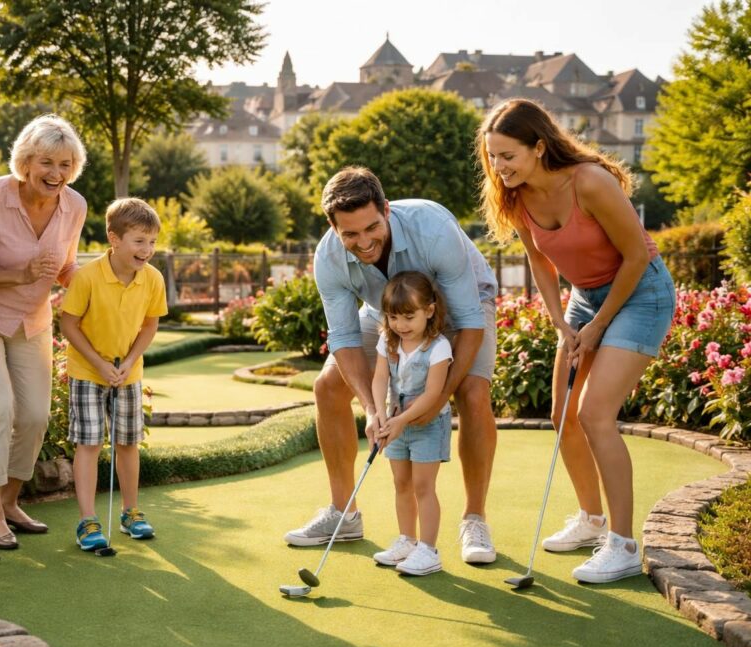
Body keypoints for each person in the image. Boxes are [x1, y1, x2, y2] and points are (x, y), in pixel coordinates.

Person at [478, 98, 676, 583]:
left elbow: (634, 258)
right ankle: (591, 521)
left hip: (640, 293)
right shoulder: (515, 195)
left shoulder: (589, 182)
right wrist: (561, 323)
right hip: (584, 298)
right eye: (492, 157)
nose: (499, 167)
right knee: (561, 413)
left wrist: (598, 325)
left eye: (508, 156)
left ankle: (624, 545)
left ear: (539, 147)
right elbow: (540, 263)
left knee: (594, 414)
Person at [286, 166, 502, 566]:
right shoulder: (329, 258)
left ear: (386, 209)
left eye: (372, 227)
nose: (364, 242)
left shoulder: (431, 227)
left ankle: (475, 518)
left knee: (472, 393)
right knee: (328, 386)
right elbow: (346, 339)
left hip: (463, 306)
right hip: (388, 313)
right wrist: (372, 408)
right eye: (350, 234)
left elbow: (470, 323)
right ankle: (344, 513)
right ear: (333, 227)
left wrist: (436, 399)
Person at [0, 115, 88, 550]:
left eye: (65, 164)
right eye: (46, 162)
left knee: (34, 416)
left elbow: (65, 267)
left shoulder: (75, 206)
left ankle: (9, 501)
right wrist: (20, 273)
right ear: (25, 161)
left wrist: (100, 283)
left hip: (31, 319)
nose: (56, 174)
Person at [58, 198, 167, 552]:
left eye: (151, 242)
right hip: (87, 372)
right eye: (139, 241)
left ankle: (130, 512)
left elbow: (150, 325)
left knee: (127, 443)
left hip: (128, 373)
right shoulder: (87, 277)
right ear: (114, 238)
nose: (147, 250)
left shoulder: (152, 279)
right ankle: (88, 519)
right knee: (89, 443)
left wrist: (130, 360)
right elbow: (69, 323)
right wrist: (99, 363)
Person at [369, 272, 453, 576]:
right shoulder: (387, 340)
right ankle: (407, 540)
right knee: (401, 483)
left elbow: (433, 394)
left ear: (428, 311)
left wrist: (401, 420)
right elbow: (380, 378)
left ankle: (428, 551)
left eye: (408, 316)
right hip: (396, 423)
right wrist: (380, 413)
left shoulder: (438, 346)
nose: (400, 325)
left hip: (428, 424)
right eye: (393, 317)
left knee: (423, 486)